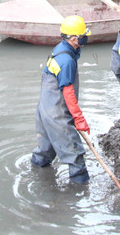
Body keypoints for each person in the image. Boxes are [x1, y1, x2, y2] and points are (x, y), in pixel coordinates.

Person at [30, 15, 91, 184]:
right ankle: (79, 192)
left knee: (45, 151)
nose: (86, 38)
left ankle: (35, 176)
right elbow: (69, 94)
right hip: (57, 113)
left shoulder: (60, 49)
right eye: (83, 36)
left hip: (44, 108)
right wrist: (79, 119)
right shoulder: (66, 61)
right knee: (74, 153)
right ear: (73, 39)